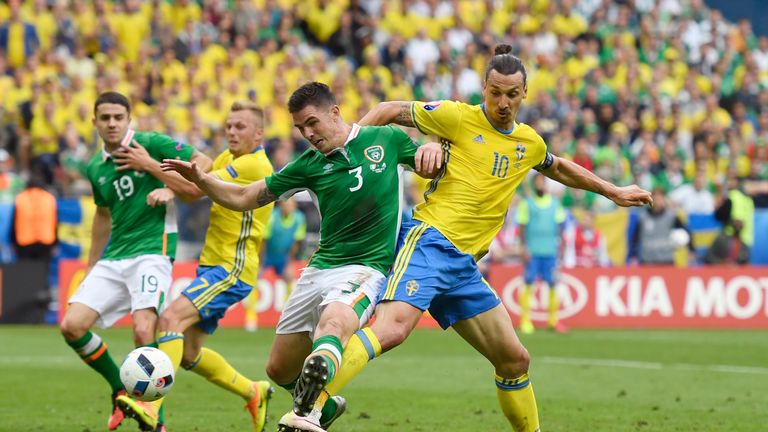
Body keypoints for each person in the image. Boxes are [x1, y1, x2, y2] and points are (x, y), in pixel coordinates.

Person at [315, 44, 652, 432]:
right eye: (495, 92)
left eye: (512, 94)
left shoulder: (529, 143)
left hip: (463, 265)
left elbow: (558, 168)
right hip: (430, 240)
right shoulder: (457, 117)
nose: (503, 102)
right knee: (391, 329)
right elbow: (392, 109)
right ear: (484, 88)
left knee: (514, 359)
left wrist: (613, 191)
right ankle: (313, 401)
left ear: (524, 94)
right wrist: (354, 149)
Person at [161, 82, 441, 432]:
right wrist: (202, 180)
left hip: (366, 268)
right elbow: (245, 196)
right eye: (300, 128)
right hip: (319, 268)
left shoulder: (385, 140)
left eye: (312, 123)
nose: (308, 134)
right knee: (278, 369)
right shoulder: (308, 164)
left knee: (335, 324)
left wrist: (433, 147)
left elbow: (432, 155)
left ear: (334, 112)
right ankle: (321, 407)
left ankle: (307, 411)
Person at [115, 102, 276, 432]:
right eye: (228, 125)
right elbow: (192, 193)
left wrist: (149, 165)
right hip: (214, 266)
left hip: (231, 268)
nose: (231, 131)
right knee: (188, 353)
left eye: (240, 126)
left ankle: (150, 405)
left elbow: (192, 186)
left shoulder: (253, 165)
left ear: (259, 133)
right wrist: (167, 187)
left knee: (170, 319)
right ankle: (253, 391)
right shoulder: (225, 160)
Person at [58, 91, 211, 432]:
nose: (112, 123)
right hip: (114, 256)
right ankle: (118, 388)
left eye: (118, 117)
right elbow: (101, 216)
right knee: (72, 325)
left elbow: (205, 164)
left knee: (144, 329)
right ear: (94, 122)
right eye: (105, 118)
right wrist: (91, 265)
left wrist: (159, 175)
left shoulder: (150, 143)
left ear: (129, 119)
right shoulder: (95, 165)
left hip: (152, 250)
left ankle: (154, 420)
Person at [245, 197, 307, 331]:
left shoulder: (299, 218)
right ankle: (251, 318)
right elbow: (264, 240)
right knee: (255, 280)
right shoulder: (272, 217)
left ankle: (286, 318)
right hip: (267, 255)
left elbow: (297, 241)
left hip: (283, 256)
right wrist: (261, 261)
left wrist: (288, 261)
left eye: (292, 204)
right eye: (287, 204)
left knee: (290, 279)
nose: (290, 207)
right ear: (281, 205)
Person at [516, 173, 567, 334]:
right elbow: (522, 228)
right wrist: (523, 248)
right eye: (537, 182)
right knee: (529, 282)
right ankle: (525, 321)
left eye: (542, 181)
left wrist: (561, 247)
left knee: (553, 284)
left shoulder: (555, 204)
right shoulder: (527, 204)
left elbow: (560, 228)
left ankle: (553, 320)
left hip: (550, 251)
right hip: (533, 251)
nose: (540, 185)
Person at [630, 187, 689, 266]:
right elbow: (635, 238)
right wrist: (633, 255)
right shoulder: (643, 217)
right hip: (647, 261)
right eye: (655, 199)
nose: (658, 202)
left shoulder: (671, 216)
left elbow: (685, 232)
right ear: (650, 200)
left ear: (664, 200)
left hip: (667, 260)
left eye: (660, 199)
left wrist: (691, 250)